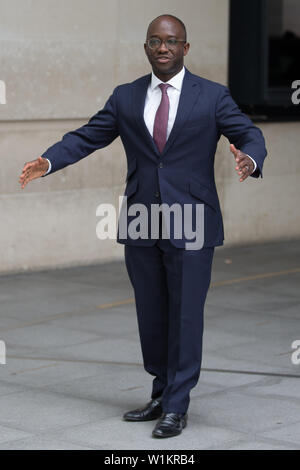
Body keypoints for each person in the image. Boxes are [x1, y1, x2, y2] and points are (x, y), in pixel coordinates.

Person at [19, 14, 267, 438]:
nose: (163, 48)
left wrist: (251, 158)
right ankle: (160, 390)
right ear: (146, 47)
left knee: (185, 314)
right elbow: (88, 135)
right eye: (155, 41)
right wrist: (50, 160)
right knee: (152, 313)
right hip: (141, 219)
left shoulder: (212, 96)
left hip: (192, 221)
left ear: (186, 48)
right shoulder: (126, 96)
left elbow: (250, 134)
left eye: (172, 41)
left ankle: (177, 404)